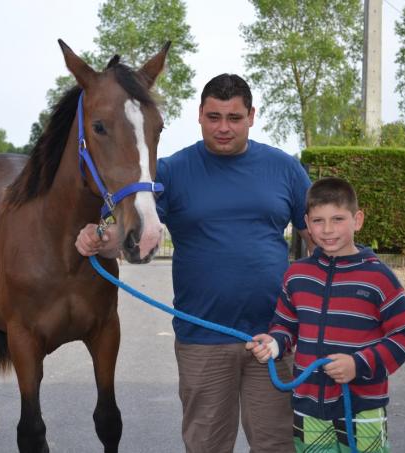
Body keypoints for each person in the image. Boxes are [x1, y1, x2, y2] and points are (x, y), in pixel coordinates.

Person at [76, 73, 312, 453]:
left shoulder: (285, 169)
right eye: (214, 116)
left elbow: (319, 239)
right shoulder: (170, 172)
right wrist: (97, 240)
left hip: (275, 338)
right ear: (199, 115)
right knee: (206, 447)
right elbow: (127, 237)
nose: (223, 127)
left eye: (234, 118)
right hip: (203, 341)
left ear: (252, 116)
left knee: (277, 446)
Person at [246, 177, 405, 453]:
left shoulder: (379, 277)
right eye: (317, 221)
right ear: (306, 223)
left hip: (363, 406)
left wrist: (358, 365)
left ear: (357, 220)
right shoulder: (297, 275)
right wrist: (274, 344)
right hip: (309, 404)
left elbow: (404, 337)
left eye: (338, 219)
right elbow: (285, 326)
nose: (327, 230)